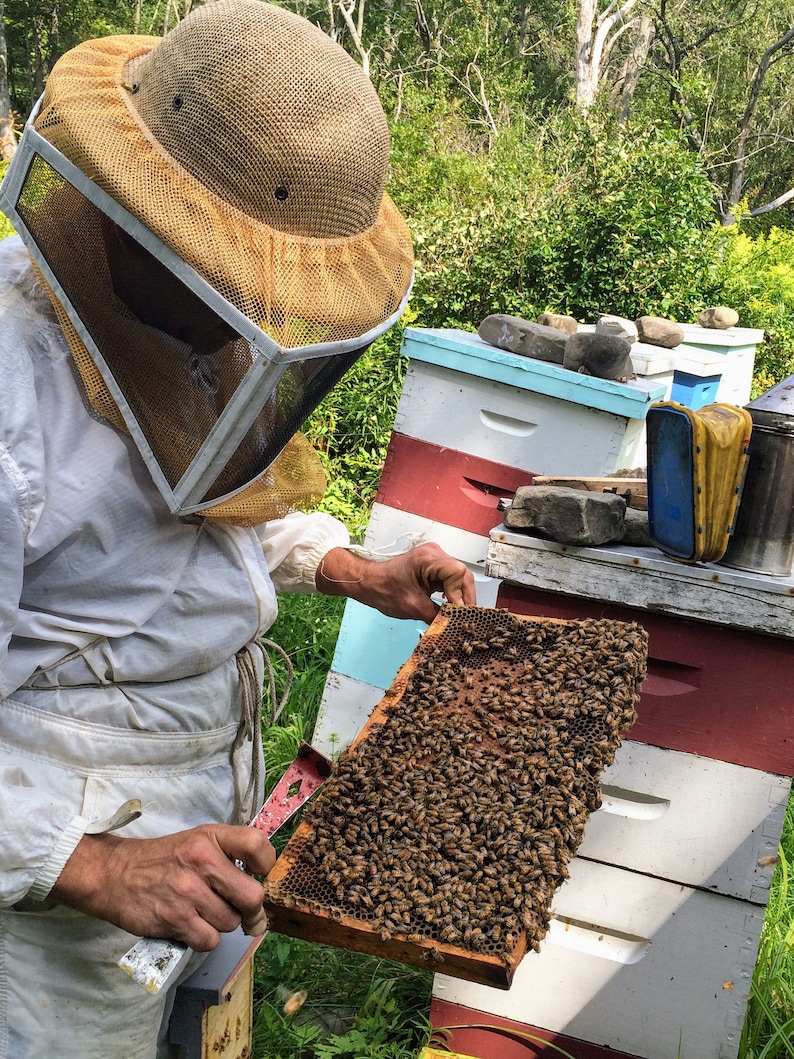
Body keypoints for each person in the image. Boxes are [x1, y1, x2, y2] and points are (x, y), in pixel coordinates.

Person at [0, 2, 476, 1055]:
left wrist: (350, 565)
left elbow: (201, 513)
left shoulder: (168, 326)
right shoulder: (11, 388)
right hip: (35, 926)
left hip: (190, 850)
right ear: (129, 212)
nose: (250, 302)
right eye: (227, 264)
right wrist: (90, 865)